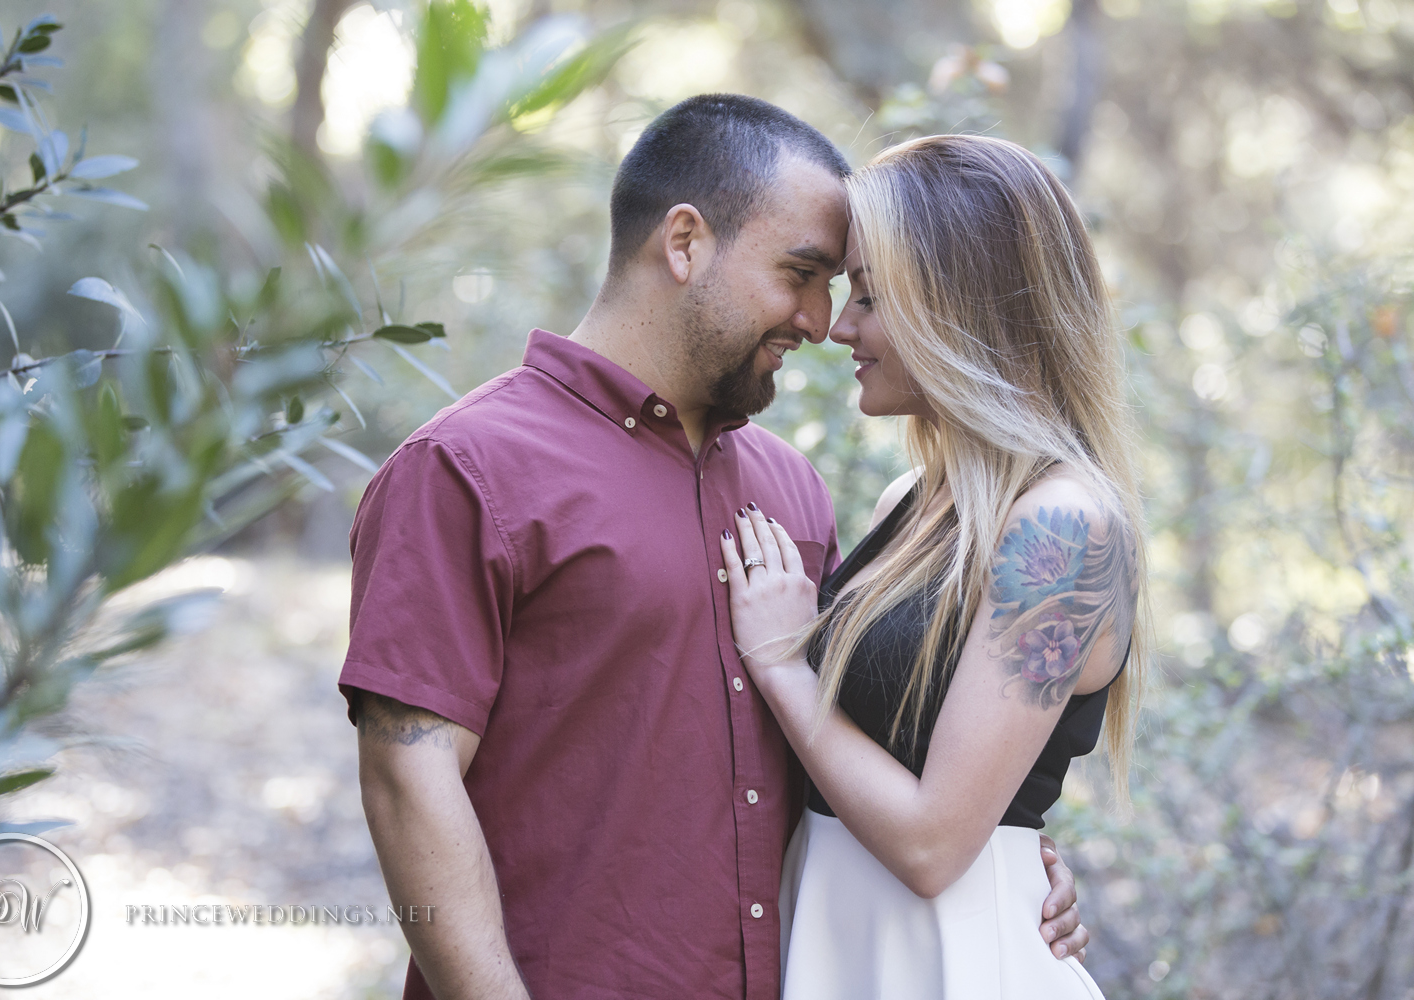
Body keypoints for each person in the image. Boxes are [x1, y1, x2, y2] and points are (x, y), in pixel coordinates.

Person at [338, 97, 1090, 1000]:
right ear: (685, 243)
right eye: (802, 273)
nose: (820, 322)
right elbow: (405, 784)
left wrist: (1006, 872)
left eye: (840, 287)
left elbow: (875, 740)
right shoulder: (467, 470)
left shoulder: (790, 489)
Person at [718, 134, 1148, 999]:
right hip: (846, 949)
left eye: (870, 297)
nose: (839, 327)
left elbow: (932, 845)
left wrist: (776, 662)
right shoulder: (907, 506)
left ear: (961, 310)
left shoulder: (1064, 529)